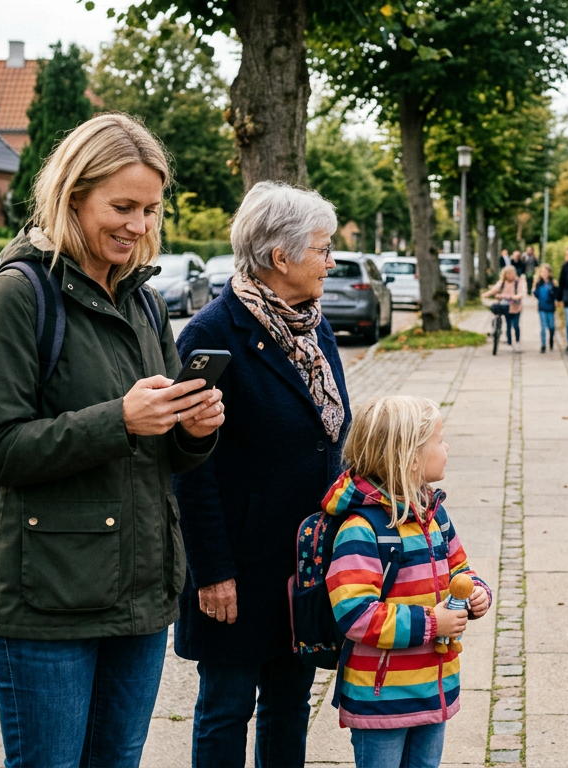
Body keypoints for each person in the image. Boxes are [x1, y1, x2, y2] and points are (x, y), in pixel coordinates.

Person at [0, 113, 226, 767]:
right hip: (46, 599)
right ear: (73, 195)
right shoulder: (16, 298)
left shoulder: (144, 304)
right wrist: (120, 419)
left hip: (138, 591)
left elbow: (161, 451)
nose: (138, 226)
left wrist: (192, 431)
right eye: (123, 206)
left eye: (149, 209)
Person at [172, 181, 352, 767]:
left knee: (290, 705)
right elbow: (188, 469)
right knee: (226, 708)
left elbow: (328, 436)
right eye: (322, 250)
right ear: (281, 257)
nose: (332, 261)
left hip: (304, 560)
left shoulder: (312, 325)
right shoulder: (210, 335)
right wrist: (212, 572)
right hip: (240, 564)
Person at [324, 396, 492, 768]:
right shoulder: (362, 530)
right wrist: (434, 624)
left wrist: (478, 593)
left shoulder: (434, 516)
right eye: (440, 440)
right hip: (384, 698)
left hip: (434, 689)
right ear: (411, 458)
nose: (446, 447)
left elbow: (461, 570)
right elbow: (355, 614)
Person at [482, 265, 526, 349]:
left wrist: (515, 296)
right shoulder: (502, 282)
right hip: (506, 307)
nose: (510, 276)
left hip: (516, 307)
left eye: (511, 273)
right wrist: (485, 295)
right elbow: (494, 290)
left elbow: (521, 292)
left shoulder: (518, 282)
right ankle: (509, 341)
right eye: (508, 274)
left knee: (516, 325)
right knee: (508, 325)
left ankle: (517, 342)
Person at [533, 263, 560, 352]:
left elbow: (556, 294)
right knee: (543, 327)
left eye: (545, 272)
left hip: (550, 308)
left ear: (549, 273)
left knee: (551, 327)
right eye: (542, 272)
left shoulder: (553, 283)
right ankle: (543, 345)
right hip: (542, 307)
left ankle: (551, 338)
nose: (544, 274)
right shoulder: (539, 283)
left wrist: (556, 300)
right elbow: (536, 294)